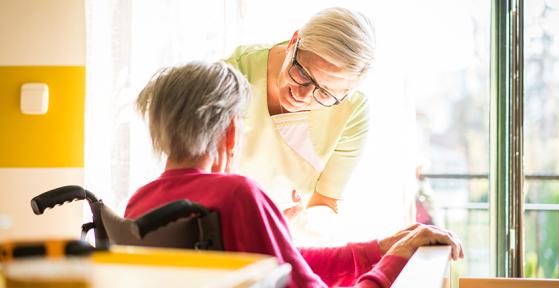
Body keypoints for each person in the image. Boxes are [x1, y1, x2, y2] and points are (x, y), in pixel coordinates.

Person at [125, 61, 464, 287]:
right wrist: (395, 263)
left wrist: (376, 251)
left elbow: (286, 263)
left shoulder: (141, 203)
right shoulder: (237, 194)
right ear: (231, 130)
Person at [225, 7, 375, 216]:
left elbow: (326, 202)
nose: (303, 95)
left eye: (324, 93)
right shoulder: (233, 74)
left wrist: (301, 223)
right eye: (303, 74)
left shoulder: (350, 111)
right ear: (294, 41)